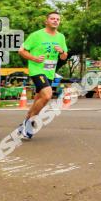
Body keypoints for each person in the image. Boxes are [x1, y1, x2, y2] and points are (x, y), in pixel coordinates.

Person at [16, 11, 69, 140]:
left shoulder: (61, 37)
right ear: (46, 21)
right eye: (52, 18)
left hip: (49, 72)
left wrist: (61, 51)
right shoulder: (36, 35)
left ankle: (24, 124)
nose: (55, 21)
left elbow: (64, 56)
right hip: (37, 70)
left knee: (39, 100)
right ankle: (29, 123)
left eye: (57, 19)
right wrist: (34, 58)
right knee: (47, 95)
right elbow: (21, 51)